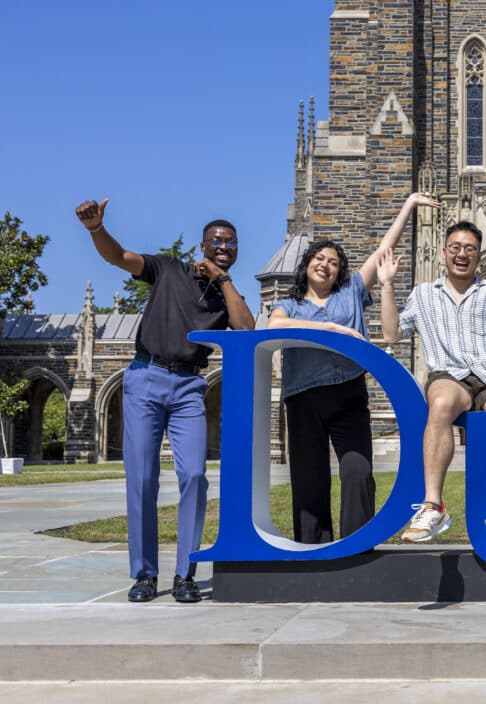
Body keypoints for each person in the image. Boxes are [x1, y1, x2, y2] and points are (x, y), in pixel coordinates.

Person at [74, 197, 255, 603]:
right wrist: (95, 229)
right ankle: (144, 575)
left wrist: (223, 282)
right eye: (216, 241)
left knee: (194, 476)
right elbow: (120, 257)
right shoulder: (169, 269)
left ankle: (185, 575)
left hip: (190, 387)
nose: (224, 247)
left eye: (231, 243)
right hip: (146, 378)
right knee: (142, 479)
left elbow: (245, 330)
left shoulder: (227, 296)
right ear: (203, 245)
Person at [267, 193, 440, 544]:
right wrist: (333, 330)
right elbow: (274, 328)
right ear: (307, 265)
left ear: (339, 271)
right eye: (319, 258)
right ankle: (313, 551)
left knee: (358, 472)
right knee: (309, 483)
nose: (326, 265)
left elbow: (382, 254)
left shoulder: (351, 293)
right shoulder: (288, 304)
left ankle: (357, 548)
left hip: (347, 395)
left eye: (333, 262)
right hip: (302, 398)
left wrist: (407, 206)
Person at [377, 221, 486, 550]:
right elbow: (392, 334)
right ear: (442, 252)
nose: (462, 254)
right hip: (449, 374)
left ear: (478, 256)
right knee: (441, 404)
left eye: (469, 249)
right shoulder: (423, 294)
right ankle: (433, 505)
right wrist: (387, 286)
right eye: (455, 248)